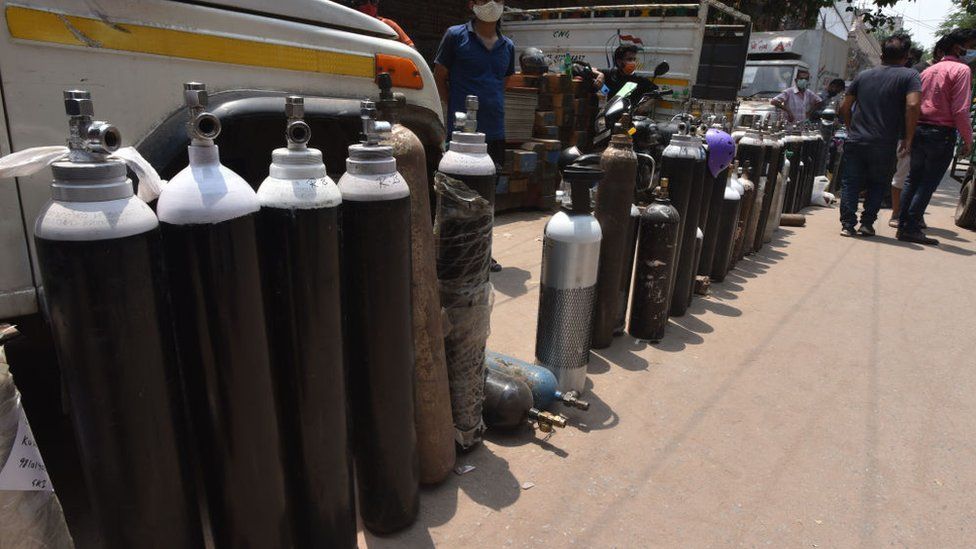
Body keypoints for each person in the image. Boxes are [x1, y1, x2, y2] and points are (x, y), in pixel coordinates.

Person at [434, 0, 515, 271]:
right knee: (459, 193)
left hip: (494, 130)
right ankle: (454, 252)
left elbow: (503, 81)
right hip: (463, 133)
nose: (490, 4)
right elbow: (440, 75)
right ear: (472, 4)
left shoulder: (508, 46)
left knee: (487, 194)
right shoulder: (456, 36)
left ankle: (483, 251)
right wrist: (454, 108)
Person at [897, 29, 976, 245]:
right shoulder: (961, 70)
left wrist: (909, 134)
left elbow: (912, 104)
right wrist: (968, 140)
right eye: (971, 46)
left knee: (913, 179)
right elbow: (960, 110)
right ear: (958, 47)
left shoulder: (929, 71)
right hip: (941, 133)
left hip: (920, 129)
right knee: (927, 183)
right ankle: (911, 228)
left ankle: (903, 225)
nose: (973, 51)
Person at [837, 34, 921, 237]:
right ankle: (867, 224)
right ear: (906, 55)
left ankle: (847, 225)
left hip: (857, 139)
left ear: (882, 54)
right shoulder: (910, 76)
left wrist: (850, 129)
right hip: (884, 142)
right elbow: (913, 104)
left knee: (851, 182)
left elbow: (844, 107)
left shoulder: (863, 75)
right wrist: (908, 139)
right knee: (877, 183)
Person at [349, 0, 415, 47]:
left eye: (373, 1)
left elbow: (411, 46)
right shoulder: (348, 25)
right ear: (356, 3)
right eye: (364, 1)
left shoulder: (388, 24)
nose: (369, 6)